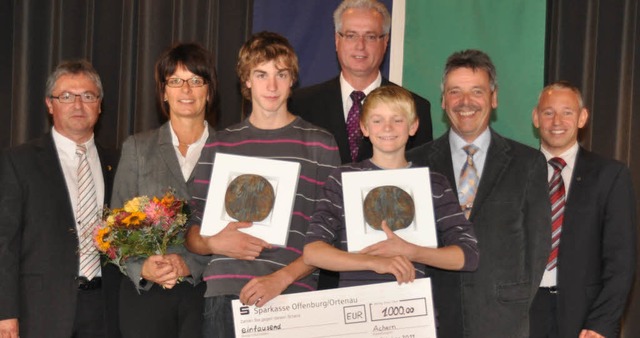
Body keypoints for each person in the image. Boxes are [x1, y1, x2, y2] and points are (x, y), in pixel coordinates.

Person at [185, 31, 341, 337]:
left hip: (291, 296)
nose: (271, 86)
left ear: (292, 79)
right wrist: (212, 242)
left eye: (281, 74)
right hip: (225, 295)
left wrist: (281, 278)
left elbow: (331, 235)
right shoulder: (220, 145)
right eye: (261, 74)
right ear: (246, 80)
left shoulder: (320, 145)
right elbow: (191, 230)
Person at [406, 49, 551, 338]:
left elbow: (537, 248)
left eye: (476, 91)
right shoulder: (415, 162)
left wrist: (515, 304)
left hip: (502, 320)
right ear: (444, 100)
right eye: (455, 92)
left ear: (493, 98)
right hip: (432, 317)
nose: (465, 102)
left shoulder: (528, 163)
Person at [303, 85, 478, 288]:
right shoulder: (342, 179)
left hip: (413, 309)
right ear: (364, 128)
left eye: (397, 120)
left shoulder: (434, 184)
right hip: (356, 309)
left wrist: (412, 251)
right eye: (377, 120)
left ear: (413, 126)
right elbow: (313, 252)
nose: (387, 128)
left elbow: (469, 255)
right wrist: (375, 262)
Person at [0, 60, 120, 338]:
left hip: (106, 309)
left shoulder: (120, 161)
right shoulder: (19, 162)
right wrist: (5, 312)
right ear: (49, 104)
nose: (78, 105)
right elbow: (4, 243)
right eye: (66, 96)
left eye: (88, 96)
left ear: (100, 105)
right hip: (41, 310)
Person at [110, 43, 216, 338]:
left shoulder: (229, 152)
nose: (186, 90)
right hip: (146, 296)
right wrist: (141, 267)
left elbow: (236, 231)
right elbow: (112, 229)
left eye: (196, 81)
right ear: (164, 92)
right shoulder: (137, 148)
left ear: (209, 90)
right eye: (175, 81)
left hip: (206, 293)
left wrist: (190, 264)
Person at [529, 81, 636, 338]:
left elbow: (621, 261)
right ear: (536, 118)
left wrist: (602, 322)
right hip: (524, 313)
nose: (557, 121)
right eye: (548, 112)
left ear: (582, 117)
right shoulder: (516, 173)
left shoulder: (610, 175)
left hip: (586, 318)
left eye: (567, 112)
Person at [289, 0, 432, 165]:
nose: (360, 46)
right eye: (351, 35)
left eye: (370, 37)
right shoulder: (300, 105)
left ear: (385, 42)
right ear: (337, 40)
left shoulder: (416, 107)